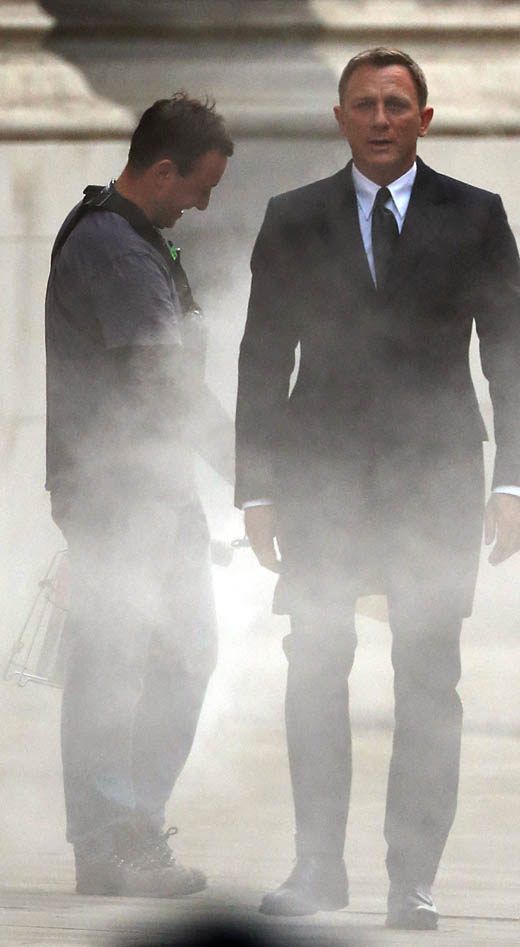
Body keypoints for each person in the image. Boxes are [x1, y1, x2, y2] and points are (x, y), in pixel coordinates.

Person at [235, 48, 520, 929]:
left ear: (425, 119)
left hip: (435, 479)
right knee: (315, 666)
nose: (380, 119)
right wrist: (256, 489)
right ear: (339, 118)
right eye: (364, 104)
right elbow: (262, 356)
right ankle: (316, 869)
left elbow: (513, 351)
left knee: (429, 677)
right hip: (320, 479)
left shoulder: (476, 216)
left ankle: (411, 880)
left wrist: (517, 480)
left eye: (397, 104)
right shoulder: (293, 218)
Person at [45, 93, 234, 896]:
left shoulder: (132, 237)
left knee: (180, 654)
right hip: (118, 493)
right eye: (198, 187)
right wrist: (253, 473)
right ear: (161, 171)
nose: (202, 204)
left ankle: (133, 833)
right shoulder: (115, 250)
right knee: (115, 665)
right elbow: (163, 384)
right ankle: (112, 846)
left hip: (153, 487)